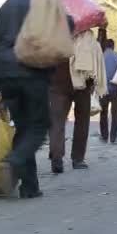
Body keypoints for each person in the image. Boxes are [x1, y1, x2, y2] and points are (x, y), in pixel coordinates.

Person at [0, 0, 74, 198]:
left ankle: (30, 187)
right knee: (39, 126)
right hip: (32, 73)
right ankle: (12, 162)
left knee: (24, 128)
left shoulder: (7, 5)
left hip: (6, 74)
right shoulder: (46, 2)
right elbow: (68, 27)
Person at [48, 28, 106, 173]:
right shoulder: (89, 40)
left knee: (57, 122)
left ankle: (57, 158)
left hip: (58, 86)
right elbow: (99, 55)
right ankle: (78, 159)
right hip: (82, 86)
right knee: (81, 122)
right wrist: (102, 30)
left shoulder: (55, 38)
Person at [100, 39, 117, 144]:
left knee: (103, 113)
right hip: (115, 89)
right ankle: (113, 137)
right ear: (113, 46)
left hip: (103, 89)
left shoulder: (100, 57)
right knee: (114, 115)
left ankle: (104, 136)